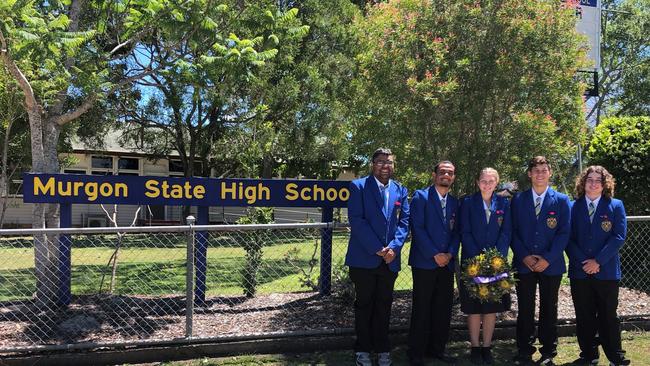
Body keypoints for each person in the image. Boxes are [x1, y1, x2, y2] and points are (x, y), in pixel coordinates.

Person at [345, 148, 410, 366]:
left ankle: (382, 349)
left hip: (389, 260)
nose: (385, 166)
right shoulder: (358, 187)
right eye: (381, 162)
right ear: (373, 164)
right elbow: (357, 220)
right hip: (364, 259)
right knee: (364, 305)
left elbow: (404, 222)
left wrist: (394, 248)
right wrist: (378, 248)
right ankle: (362, 350)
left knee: (384, 305)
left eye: (389, 162)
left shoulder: (401, 190)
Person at [566, 166, 630, 366]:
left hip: (607, 271)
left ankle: (615, 356)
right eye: (589, 179)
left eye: (598, 180)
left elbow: (618, 236)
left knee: (608, 316)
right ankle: (589, 356)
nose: (593, 183)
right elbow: (567, 238)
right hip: (580, 271)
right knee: (584, 315)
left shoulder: (616, 205)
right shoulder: (572, 207)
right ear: (583, 182)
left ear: (605, 184)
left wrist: (598, 261)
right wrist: (585, 263)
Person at [510, 156, 571, 366]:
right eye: (536, 170)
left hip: (551, 265)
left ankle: (548, 352)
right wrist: (524, 256)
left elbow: (564, 233)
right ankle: (524, 351)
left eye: (544, 170)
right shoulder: (518, 200)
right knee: (525, 309)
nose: (540, 174)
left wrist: (548, 258)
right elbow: (513, 231)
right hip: (524, 264)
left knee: (549, 308)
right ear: (529, 174)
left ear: (550, 173)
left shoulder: (562, 200)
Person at [407, 161, 460, 366]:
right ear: (434, 175)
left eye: (450, 173)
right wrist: (434, 254)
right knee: (421, 308)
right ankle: (416, 354)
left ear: (453, 177)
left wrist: (449, 254)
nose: (446, 175)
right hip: (425, 262)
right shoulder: (421, 197)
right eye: (442, 172)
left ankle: (437, 350)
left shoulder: (455, 202)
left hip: (446, 263)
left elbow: (457, 232)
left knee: (442, 308)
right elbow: (417, 229)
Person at [460, 168, 512, 365]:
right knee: (474, 308)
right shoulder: (467, 203)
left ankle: (487, 347)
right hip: (472, 264)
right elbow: (464, 232)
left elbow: (506, 232)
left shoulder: (504, 204)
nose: (487, 184)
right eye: (484, 180)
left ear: (496, 183)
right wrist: (479, 259)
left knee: (491, 308)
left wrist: (494, 258)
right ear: (477, 181)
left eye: (491, 181)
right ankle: (474, 347)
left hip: (496, 265)